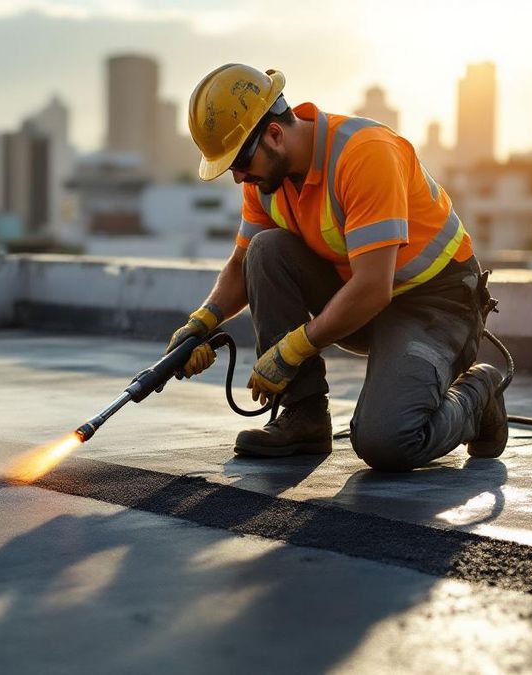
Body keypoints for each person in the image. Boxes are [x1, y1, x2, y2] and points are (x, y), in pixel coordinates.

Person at [166, 63, 508, 471]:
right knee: (264, 250)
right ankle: (304, 417)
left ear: (274, 134)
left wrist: (293, 349)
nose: (239, 177)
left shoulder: (364, 154)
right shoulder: (266, 180)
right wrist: (201, 324)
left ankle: (478, 393)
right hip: (364, 302)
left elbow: (372, 289)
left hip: (437, 305)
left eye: (239, 161)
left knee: (387, 442)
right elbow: (242, 264)